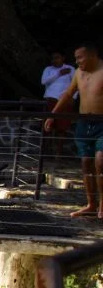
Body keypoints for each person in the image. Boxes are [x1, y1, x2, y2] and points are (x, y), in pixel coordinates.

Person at [45, 41, 103, 217]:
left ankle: (102, 206)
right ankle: (91, 203)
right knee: (86, 162)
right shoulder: (78, 72)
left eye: (80, 57)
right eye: (76, 58)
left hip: (102, 122)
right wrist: (52, 115)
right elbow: (68, 94)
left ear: (92, 55)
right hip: (84, 122)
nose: (77, 61)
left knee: (100, 161)